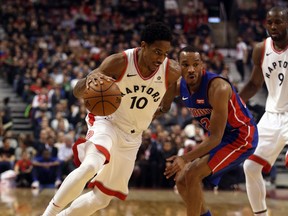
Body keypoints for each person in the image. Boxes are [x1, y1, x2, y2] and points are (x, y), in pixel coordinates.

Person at [43, 22, 181, 216]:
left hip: (133, 137)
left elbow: (164, 106)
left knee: (101, 199)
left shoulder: (172, 72)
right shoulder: (119, 62)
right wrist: (88, 81)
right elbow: (78, 92)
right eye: (157, 52)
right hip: (107, 122)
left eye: (165, 53)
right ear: (143, 46)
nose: (161, 58)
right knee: (91, 165)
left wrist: (148, 115)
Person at [162, 46, 258, 216]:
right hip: (221, 137)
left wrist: (184, 158)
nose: (191, 69)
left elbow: (215, 137)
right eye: (185, 64)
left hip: (241, 136)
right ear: (179, 67)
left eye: (195, 64)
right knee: (181, 180)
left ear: (202, 65)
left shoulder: (218, 87)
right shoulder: (179, 85)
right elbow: (162, 107)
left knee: (192, 174)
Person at [238, 6, 288, 216]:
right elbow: (253, 84)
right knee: (249, 166)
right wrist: (234, 103)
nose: (274, 26)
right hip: (272, 115)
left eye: (279, 21)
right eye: (270, 22)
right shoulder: (261, 48)